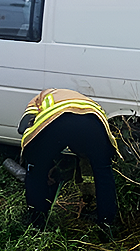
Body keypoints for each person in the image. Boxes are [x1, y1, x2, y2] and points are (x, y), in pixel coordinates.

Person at [18, 88, 120, 230]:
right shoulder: (84, 100)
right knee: (103, 170)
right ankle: (107, 222)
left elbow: (23, 127)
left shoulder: (39, 98)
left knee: (36, 171)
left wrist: (38, 161)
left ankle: (37, 222)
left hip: (58, 119)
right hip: (94, 122)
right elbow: (76, 140)